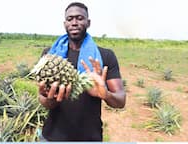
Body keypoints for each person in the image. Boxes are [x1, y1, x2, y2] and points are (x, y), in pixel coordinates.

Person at [38, 2, 126, 141]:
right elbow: (44, 101)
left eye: (79, 18)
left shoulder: (105, 56)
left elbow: (121, 100)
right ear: (65, 24)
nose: (74, 22)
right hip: (52, 136)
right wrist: (50, 98)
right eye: (70, 19)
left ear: (88, 22)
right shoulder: (49, 55)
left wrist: (106, 95)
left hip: (90, 138)